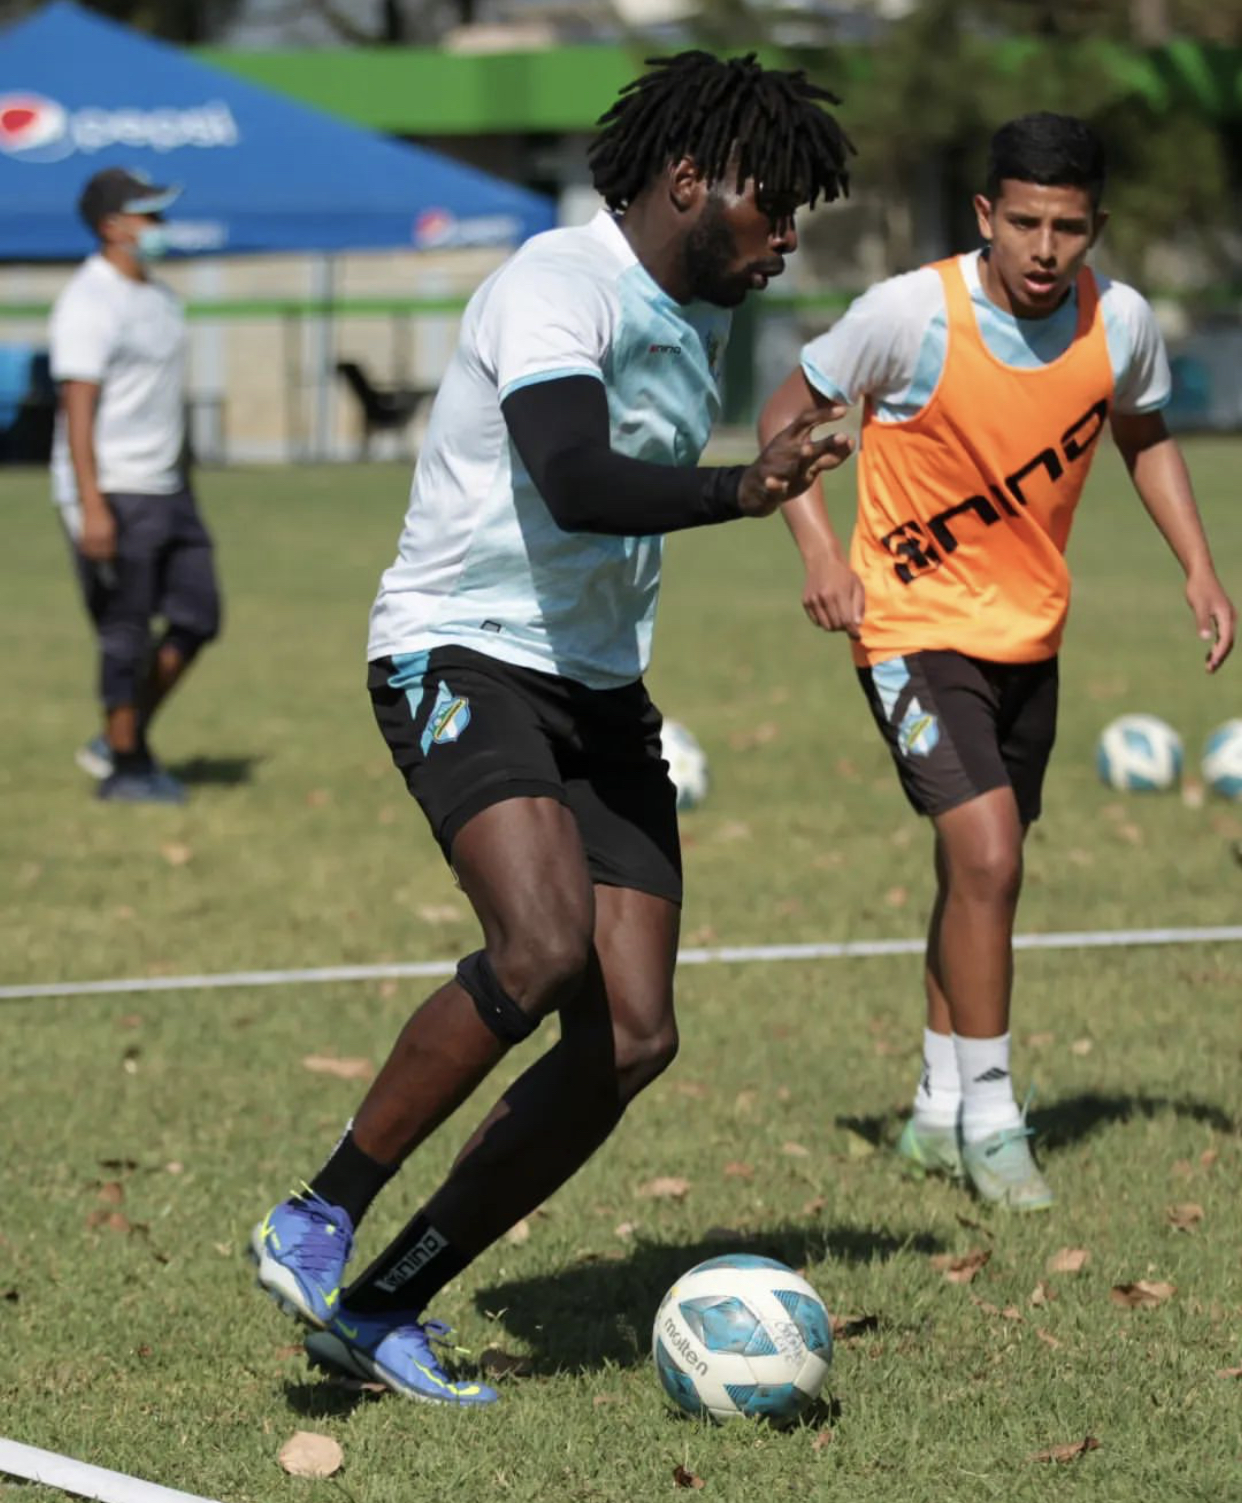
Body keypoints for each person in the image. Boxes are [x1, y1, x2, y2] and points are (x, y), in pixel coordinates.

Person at [251, 51, 856, 1404]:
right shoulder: (554, 283)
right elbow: (575, 478)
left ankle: (379, 1307)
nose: (785, 240)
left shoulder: (688, 316)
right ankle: (319, 1210)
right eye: (772, 209)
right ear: (687, 181)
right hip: (459, 649)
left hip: (598, 689)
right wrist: (745, 489)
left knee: (632, 1034)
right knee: (539, 944)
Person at [759, 112, 1235, 1211]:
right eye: (1024, 223)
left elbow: (1145, 434)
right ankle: (993, 1118)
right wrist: (822, 553)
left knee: (977, 871)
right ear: (986, 214)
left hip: (1029, 634)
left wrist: (1202, 570)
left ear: (1095, 225)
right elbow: (787, 411)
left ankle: (935, 1110)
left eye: (1068, 227)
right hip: (909, 626)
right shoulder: (910, 314)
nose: (1044, 248)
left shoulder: (1120, 323)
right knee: (989, 852)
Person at [49, 167, 221, 805]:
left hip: (168, 488)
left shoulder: (158, 296)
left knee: (199, 617)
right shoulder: (88, 301)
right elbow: (78, 407)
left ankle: (117, 737)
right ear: (111, 226)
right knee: (124, 632)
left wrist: (185, 478)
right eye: (149, 215)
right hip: (116, 489)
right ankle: (126, 767)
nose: (160, 226)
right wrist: (90, 504)